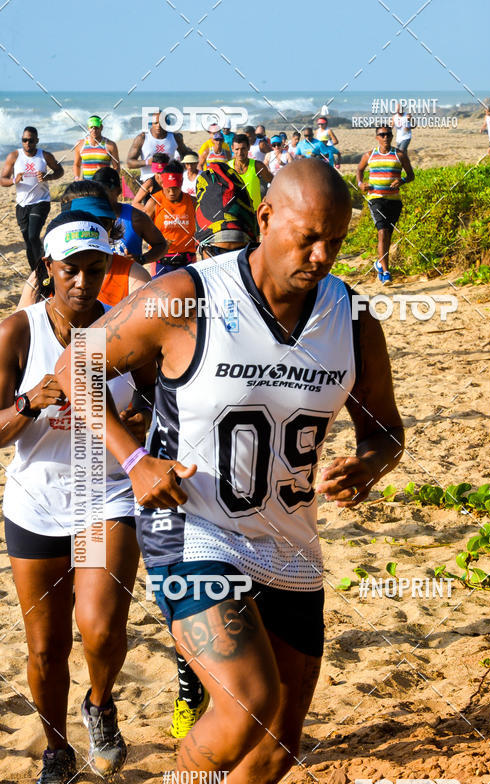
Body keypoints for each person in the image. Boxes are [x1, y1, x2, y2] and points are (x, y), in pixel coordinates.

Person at [54, 158, 404, 784]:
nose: (321, 256)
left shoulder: (354, 317)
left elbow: (385, 429)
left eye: (335, 242)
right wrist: (137, 458)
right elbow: (76, 366)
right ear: (269, 215)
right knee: (247, 699)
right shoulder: (189, 299)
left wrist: (370, 462)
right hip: (194, 529)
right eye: (308, 237)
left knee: (276, 747)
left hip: (290, 544)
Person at [1, 209, 155, 784]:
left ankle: (99, 703)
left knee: (98, 629)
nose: (84, 284)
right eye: (72, 270)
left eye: (96, 269)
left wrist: (139, 424)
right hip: (35, 505)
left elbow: (155, 414)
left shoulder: (129, 329)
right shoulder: (19, 331)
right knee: (44, 648)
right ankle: (57, 750)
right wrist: (29, 403)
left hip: (105, 495)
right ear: (49, 268)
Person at [168, 161, 258, 740]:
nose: (224, 259)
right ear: (198, 251)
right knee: (190, 609)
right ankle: (187, 691)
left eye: (236, 247)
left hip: (257, 491)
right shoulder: (171, 304)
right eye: (213, 248)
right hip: (184, 489)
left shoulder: (275, 306)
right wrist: (132, 453)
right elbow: (94, 367)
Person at [18, 180, 151, 309]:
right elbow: (22, 325)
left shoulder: (133, 276)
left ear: (112, 224)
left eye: (102, 223)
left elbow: (150, 327)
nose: (94, 233)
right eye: (83, 225)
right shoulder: (42, 275)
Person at [0, 127, 64, 270]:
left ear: (37, 141)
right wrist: (13, 181)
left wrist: (49, 176)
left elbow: (60, 170)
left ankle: (43, 266)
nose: (27, 143)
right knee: (28, 241)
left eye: (31, 140)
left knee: (33, 236)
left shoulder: (44, 156)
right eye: (24, 140)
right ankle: (35, 270)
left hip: (41, 201)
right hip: (22, 204)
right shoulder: (14, 156)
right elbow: (2, 180)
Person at [357, 125, 414, 284]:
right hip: (375, 199)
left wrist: (401, 180)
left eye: (388, 134)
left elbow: (411, 175)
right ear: (377, 137)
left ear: (392, 136)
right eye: (382, 135)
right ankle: (386, 272)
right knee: (382, 232)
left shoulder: (399, 155)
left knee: (388, 235)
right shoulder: (370, 155)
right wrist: (361, 184)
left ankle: (379, 264)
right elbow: (359, 170)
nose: (385, 137)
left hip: (394, 201)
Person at [92, 166, 167, 264]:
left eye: (105, 191)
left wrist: (142, 259)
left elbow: (161, 245)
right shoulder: (87, 217)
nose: (100, 196)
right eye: (97, 191)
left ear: (118, 191)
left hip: (130, 278)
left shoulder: (135, 218)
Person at [145, 161, 197, 276]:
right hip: (161, 260)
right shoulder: (154, 202)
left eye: (175, 188)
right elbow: (142, 230)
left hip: (187, 259)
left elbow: (204, 226)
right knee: (160, 293)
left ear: (181, 183)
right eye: (168, 188)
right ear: (162, 183)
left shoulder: (192, 202)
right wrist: (158, 241)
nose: (172, 192)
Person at [127, 110, 191, 186]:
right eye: (155, 123)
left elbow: (186, 155)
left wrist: (179, 167)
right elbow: (129, 163)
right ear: (151, 123)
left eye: (161, 123)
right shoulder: (142, 138)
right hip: (149, 181)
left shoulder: (175, 138)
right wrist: (148, 162)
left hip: (169, 180)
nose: (158, 126)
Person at [228, 133, 272, 211]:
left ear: (249, 147)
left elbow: (273, 181)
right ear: (232, 148)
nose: (240, 152)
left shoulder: (257, 166)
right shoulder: (227, 167)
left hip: (254, 213)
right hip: (234, 213)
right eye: (237, 149)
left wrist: (267, 197)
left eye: (243, 148)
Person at [73, 115, 120, 180]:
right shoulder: (80, 144)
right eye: (91, 127)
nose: (94, 130)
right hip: (87, 186)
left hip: (104, 186)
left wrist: (111, 180)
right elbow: (77, 165)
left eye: (96, 127)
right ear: (88, 128)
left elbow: (116, 167)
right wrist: (76, 178)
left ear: (101, 127)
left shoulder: (110, 145)